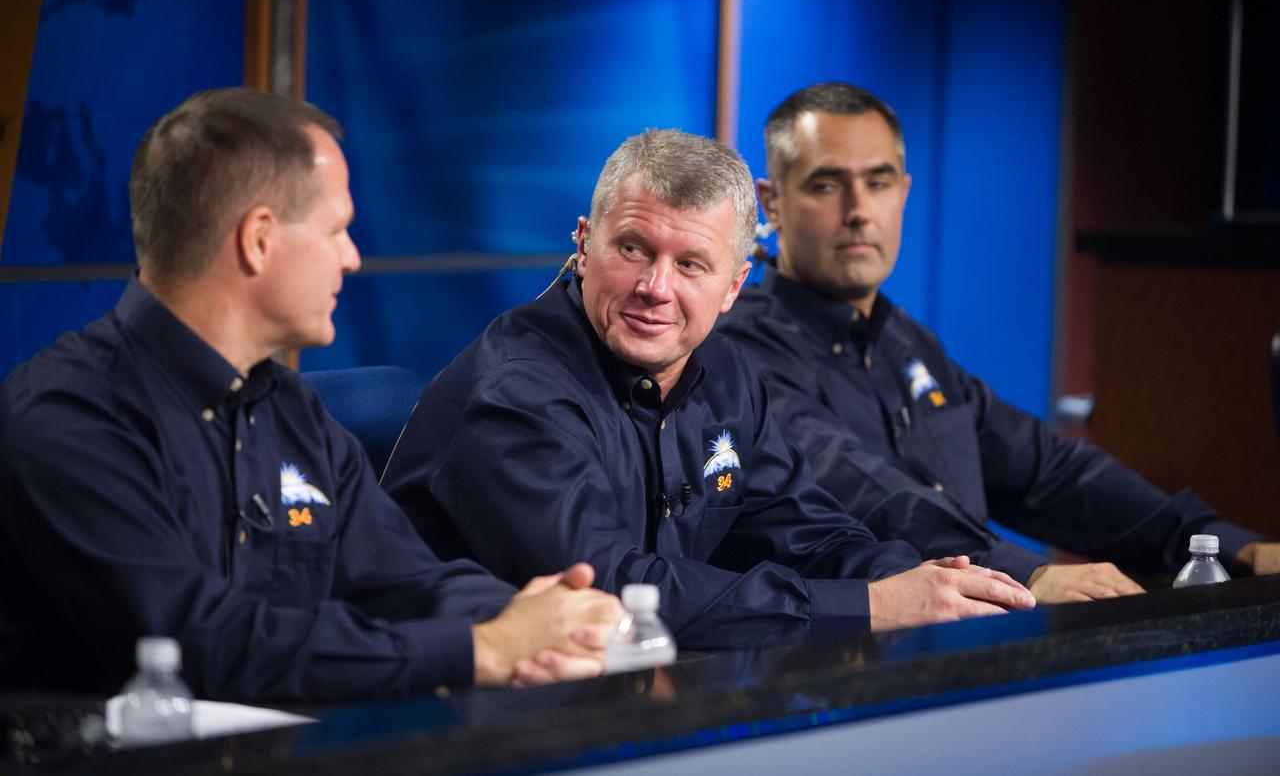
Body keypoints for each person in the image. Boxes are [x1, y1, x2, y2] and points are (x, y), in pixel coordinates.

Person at [0, 87, 621, 702]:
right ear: (259, 240)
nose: (351, 259)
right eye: (337, 230)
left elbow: (407, 584)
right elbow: (196, 641)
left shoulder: (289, 410)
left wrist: (539, 618)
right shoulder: (66, 416)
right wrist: (477, 650)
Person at [382, 128, 1034, 650]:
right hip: (450, 713)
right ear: (584, 245)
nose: (656, 287)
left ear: (733, 285)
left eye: (691, 264)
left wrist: (922, 581)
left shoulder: (724, 373)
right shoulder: (514, 394)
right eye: (633, 249)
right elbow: (613, 591)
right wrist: (871, 606)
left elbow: (806, 531)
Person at [716, 82, 1279, 602]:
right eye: (826, 185)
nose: (859, 211)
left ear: (904, 192)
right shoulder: (738, 352)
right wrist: (1025, 574)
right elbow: (863, 490)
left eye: (878, 181)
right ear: (772, 204)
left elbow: (1050, 473)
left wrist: (1223, 543)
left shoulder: (907, 344)